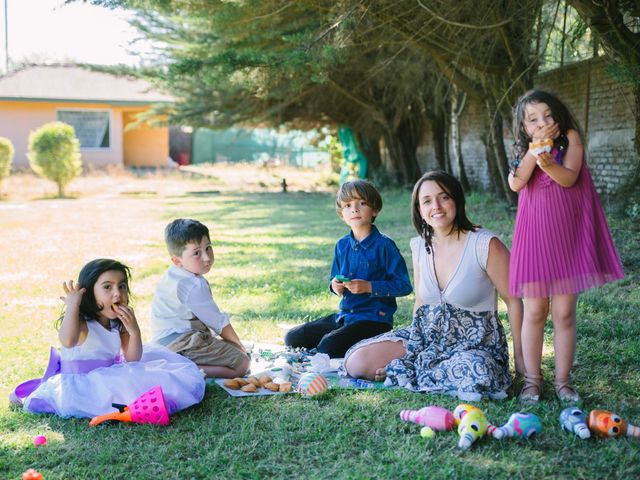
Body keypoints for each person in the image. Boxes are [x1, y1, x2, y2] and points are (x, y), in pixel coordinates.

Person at [343, 171, 524, 401]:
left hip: (472, 347)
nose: (436, 206)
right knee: (356, 362)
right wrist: (414, 349)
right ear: (419, 209)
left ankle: (413, 372)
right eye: (426, 201)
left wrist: (521, 369)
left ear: (456, 199)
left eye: (444, 197)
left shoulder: (485, 244)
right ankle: (423, 369)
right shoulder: (419, 246)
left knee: (478, 373)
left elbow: (515, 302)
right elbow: (420, 302)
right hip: (427, 338)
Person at [508, 89, 624, 403]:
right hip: (535, 238)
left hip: (568, 237)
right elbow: (516, 182)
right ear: (523, 127)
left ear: (558, 115)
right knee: (535, 311)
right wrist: (534, 153)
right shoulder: (523, 148)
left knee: (564, 313)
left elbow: (569, 178)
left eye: (548, 115)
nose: (542, 122)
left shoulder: (570, 137)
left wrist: (547, 162)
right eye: (533, 119)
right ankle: (532, 380)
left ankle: (563, 382)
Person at [10, 259, 205, 418]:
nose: (117, 293)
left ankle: (157, 398)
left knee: (158, 375)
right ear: (88, 293)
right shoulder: (82, 321)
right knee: (127, 390)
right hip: (85, 386)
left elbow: (133, 359)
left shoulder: (117, 322)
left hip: (111, 373)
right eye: (107, 287)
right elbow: (67, 341)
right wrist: (72, 306)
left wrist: (134, 332)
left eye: (122, 286)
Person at [284, 180, 412, 358]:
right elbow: (334, 279)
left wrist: (369, 287)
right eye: (348, 205)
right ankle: (333, 345)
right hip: (344, 317)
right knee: (293, 337)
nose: (354, 209)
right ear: (341, 213)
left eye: (362, 203)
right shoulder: (342, 245)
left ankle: (349, 347)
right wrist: (335, 286)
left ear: (374, 210)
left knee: (328, 346)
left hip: (374, 320)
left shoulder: (385, 246)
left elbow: (404, 286)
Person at [151, 218, 250, 378]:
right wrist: (240, 345)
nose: (207, 257)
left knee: (228, 347)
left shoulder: (175, 273)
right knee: (242, 363)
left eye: (208, 248)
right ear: (177, 260)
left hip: (164, 342)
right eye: (197, 253)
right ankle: (184, 368)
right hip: (182, 343)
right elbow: (218, 322)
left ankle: (178, 362)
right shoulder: (192, 284)